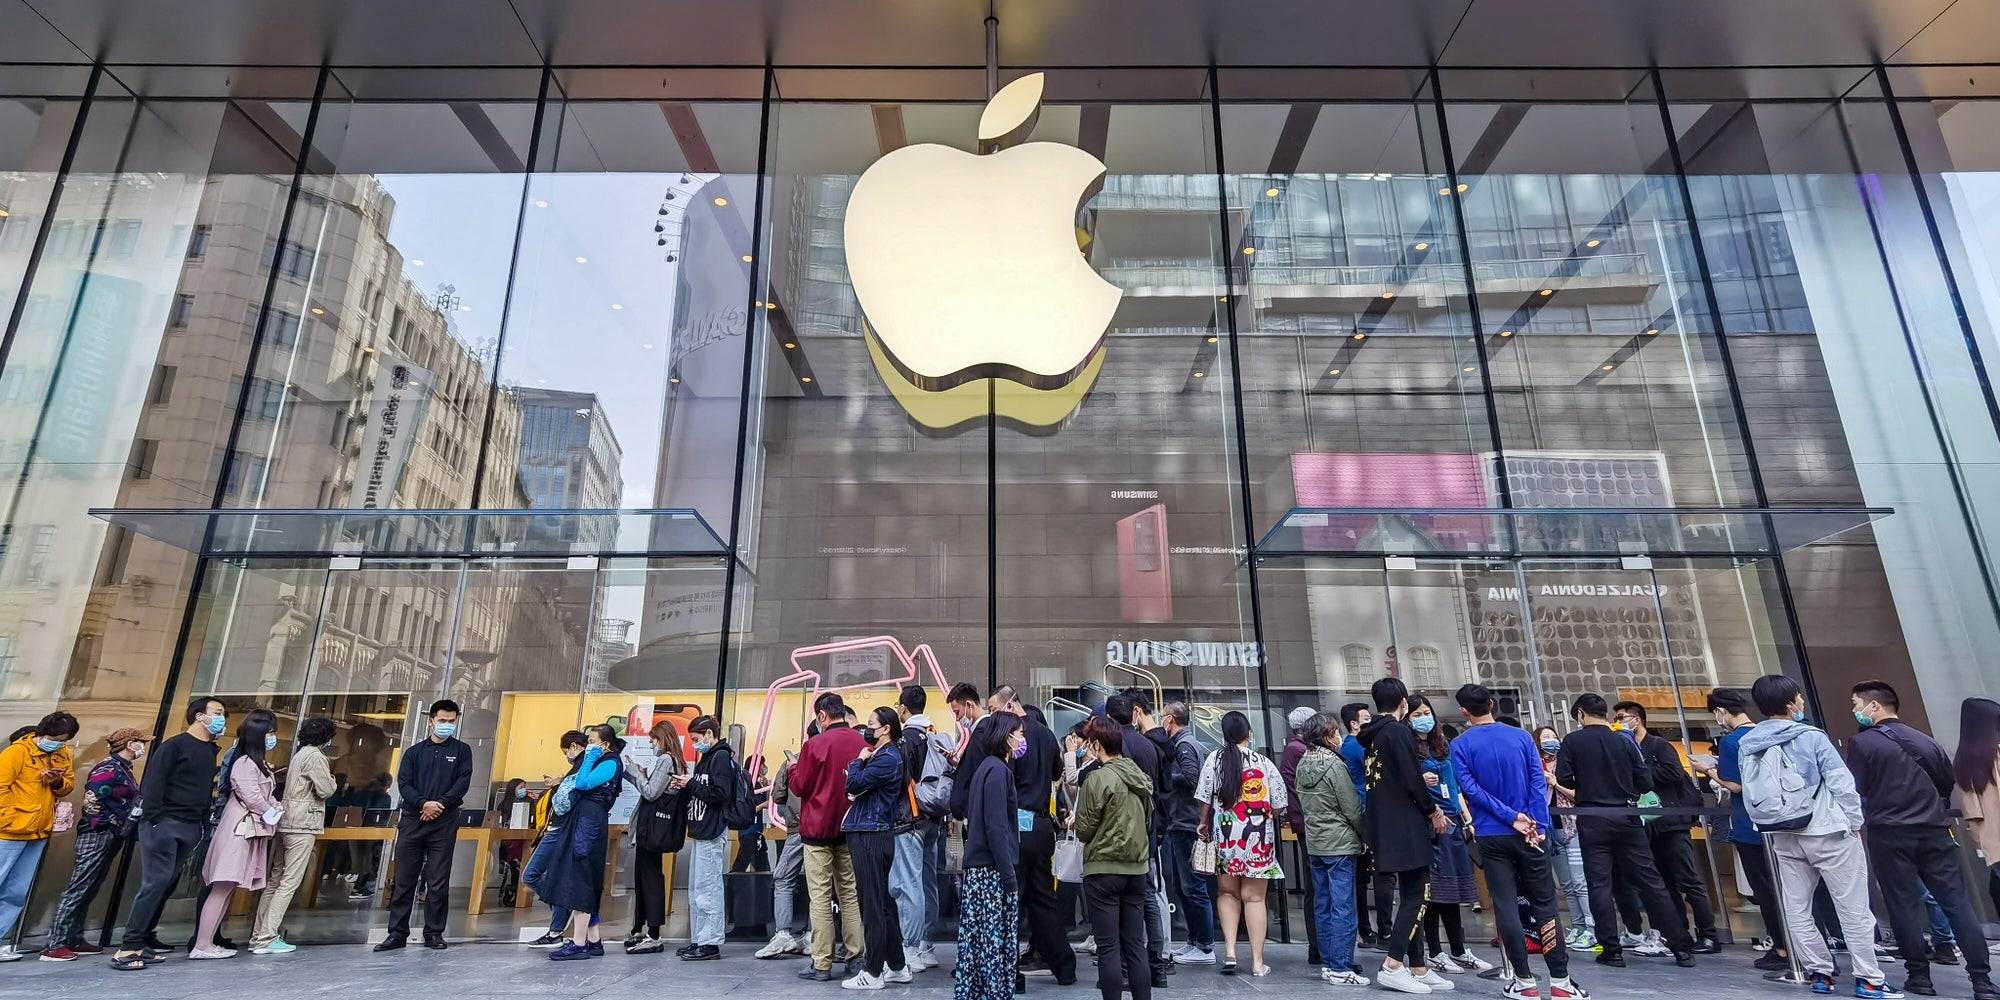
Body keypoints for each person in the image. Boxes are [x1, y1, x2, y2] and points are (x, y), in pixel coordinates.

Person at [1737, 675, 1897, 999]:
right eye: (1798, 697)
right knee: (1852, 908)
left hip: (1781, 833)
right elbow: (1841, 782)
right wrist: (1854, 821)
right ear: (1790, 703)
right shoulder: (1811, 736)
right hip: (1826, 831)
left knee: (1796, 908)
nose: (1801, 702)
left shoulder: (1748, 742)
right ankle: (1869, 979)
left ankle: (1819, 973)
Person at [1848, 681, 1993, 999]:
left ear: (1875, 706)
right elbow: (1946, 781)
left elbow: (1855, 789)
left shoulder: (1863, 745)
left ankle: (1919, 977)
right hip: (1935, 830)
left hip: (1889, 833)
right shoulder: (1927, 742)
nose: (1855, 710)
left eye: (1857, 704)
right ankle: (1982, 981)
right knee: (1958, 904)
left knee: (1903, 905)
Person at [1450, 685, 1588, 1000]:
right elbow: (1537, 782)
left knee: (1505, 906)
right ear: (1492, 704)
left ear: (1464, 712)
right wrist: (1534, 823)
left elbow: (1471, 790)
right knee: (1545, 905)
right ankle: (1561, 981)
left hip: (1491, 834)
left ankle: (1524, 982)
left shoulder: (1460, 745)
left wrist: (1509, 817)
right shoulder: (1523, 737)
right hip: (1531, 833)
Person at [1555, 693, 1694, 968]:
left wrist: (1587, 781)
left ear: (1581, 714)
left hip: (1593, 817)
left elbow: (1563, 777)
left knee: (1599, 884)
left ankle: (1612, 949)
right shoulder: (1624, 740)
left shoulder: (1573, 741)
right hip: (1627, 816)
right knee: (1651, 881)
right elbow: (1645, 782)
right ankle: (1680, 947)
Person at [113, 696, 226, 970]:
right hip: (164, 823)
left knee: (165, 885)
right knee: (154, 884)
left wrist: (201, 823)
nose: (223, 718)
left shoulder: (209, 750)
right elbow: (153, 785)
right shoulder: (174, 746)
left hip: (190, 826)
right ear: (200, 716)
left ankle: (142, 942)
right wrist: (153, 820)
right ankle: (127, 948)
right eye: (218, 712)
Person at [1359, 678, 1450, 995]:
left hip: (1385, 825)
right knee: (1418, 894)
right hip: (1405, 826)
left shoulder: (1373, 736)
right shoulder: (1396, 732)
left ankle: (1419, 967)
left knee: (1414, 892)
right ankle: (1393, 964)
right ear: (1402, 702)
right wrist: (1432, 811)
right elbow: (1412, 779)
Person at [1690, 688, 1789, 972]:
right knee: (1790, 889)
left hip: (1749, 823)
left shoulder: (1732, 742)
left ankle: (1781, 948)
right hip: (1781, 821)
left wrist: (1708, 770)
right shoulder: (1768, 734)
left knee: (1765, 890)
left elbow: (1734, 785)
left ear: (1720, 711)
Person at [1611, 701, 1719, 954]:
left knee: (1687, 879)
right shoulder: (1625, 748)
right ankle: (1676, 934)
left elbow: (1673, 773)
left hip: (1670, 822)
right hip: (1646, 825)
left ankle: (1708, 934)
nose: (1618, 721)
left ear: (1636, 720)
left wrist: (1641, 772)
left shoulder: (1658, 745)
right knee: (1663, 883)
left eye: (1622, 717)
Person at [41, 726, 145, 962]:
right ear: (129, 744)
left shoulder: (124, 768)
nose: (143, 747)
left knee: (90, 886)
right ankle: (55, 943)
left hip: (112, 832)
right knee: (79, 887)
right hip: (98, 832)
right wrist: (112, 823)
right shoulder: (108, 768)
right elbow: (92, 801)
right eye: (140, 742)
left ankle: (74, 937)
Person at [375, 699, 472, 953]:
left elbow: (462, 783)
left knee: (438, 881)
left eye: (451, 721)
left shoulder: (462, 751)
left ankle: (434, 932)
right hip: (412, 820)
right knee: (404, 880)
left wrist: (439, 804)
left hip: (444, 821)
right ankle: (397, 933)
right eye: (442, 721)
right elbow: (404, 784)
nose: (447, 725)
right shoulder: (414, 752)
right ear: (431, 720)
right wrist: (423, 804)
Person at [1193, 709, 1284, 977]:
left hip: (1226, 839)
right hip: (1259, 841)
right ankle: (1257, 963)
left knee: (1227, 894)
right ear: (1249, 734)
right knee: (1254, 898)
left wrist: (1203, 822)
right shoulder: (1263, 762)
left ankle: (1230, 953)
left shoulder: (1214, 759)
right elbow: (1279, 804)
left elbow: (1204, 797)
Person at [190, 709, 282, 959]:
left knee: (227, 888)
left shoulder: (256, 763)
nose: (272, 737)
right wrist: (269, 809)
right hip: (239, 828)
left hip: (248, 827)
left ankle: (207, 942)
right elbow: (251, 796)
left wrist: (274, 805)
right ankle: (202, 944)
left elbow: (261, 794)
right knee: (222, 886)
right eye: (269, 733)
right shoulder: (244, 762)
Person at [1073, 716, 1154, 1000]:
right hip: (1136, 869)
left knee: (1108, 947)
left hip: (1103, 869)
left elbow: (1084, 829)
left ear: (1096, 745)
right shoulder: (1140, 778)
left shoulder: (1097, 778)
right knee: (1134, 944)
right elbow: (1147, 822)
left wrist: (1075, 823)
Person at [1407, 695, 1488, 975]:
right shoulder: (1408, 749)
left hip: (1453, 822)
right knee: (1433, 893)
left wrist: (1467, 819)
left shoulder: (1442, 745)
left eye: (1426, 712)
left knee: (1453, 892)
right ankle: (1435, 952)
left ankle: (1459, 949)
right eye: (1416, 714)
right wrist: (1419, 779)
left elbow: (1454, 786)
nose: (1423, 718)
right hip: (1430, 824)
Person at [793, 693, 868, 981]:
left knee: (820, 898)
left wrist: (792, 768)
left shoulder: (815, 744)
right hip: (850, 828)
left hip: (817, 831)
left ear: (822, 716)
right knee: (850, 894)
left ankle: (821, 963)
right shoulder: (862, 743)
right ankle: (855, 956)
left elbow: (800, 786)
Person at [532, 725, 624, 961]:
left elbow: (583, 783)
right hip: (583, 822)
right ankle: (593, 940)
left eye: (593, 741)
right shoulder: (602, 760)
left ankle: (579, 943)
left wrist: (589, 758)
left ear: (605, 744)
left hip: (589, 825)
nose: (589, 745)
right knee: (582, 879)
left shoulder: (610, 763)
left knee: (581, 880)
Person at [1006, 689, 1077, 986]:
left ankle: (1009, 972)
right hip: (1041, 826)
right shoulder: (1048, 737)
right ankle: (1064, 966)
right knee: (1044, 899)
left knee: (1011, 900)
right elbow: (1056, 773)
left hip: (1016, 825)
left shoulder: (1010, 737)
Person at [840, 706, 914, 990]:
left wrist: (858, 762)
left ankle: (872, 972)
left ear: (886, 729)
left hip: (870, 834)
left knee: (871, 905)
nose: (867, 729)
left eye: (872, 724)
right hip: (871, 832)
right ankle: (897, 965)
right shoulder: (887, 756)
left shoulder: (886, 758)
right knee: (881, 903)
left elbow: (854, 783)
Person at [250, 715, 336, 955]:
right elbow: (326, 789)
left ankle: (258, 935)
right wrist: (332, 779)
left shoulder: (298, 754)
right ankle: (267, 938)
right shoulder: (317, 757)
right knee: (289, 882)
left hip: (286, 821)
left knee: (276, 880)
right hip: (303, 823)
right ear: (327, 737)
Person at [1297, 710, 1368, 986]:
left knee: (1322, 903)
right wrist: (1365, 835)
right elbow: (1351, 807)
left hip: (1316, 842)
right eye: (1335, 732)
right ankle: (1341, 965)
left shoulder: (1303, 763)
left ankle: (1329, 961)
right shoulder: (1335, 765)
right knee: (1343, 906)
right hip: (1339, 842)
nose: (1338, 736)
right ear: (1328, 736)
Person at [0, 710, 77, 962]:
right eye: (57, 737)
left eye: (64, 739)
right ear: (43, 732)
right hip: (9, 831)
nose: (59, 743)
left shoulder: (62, 754)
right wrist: (8, 818)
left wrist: (56, 781)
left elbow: (68, 786)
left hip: (38, 830)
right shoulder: (17, 752)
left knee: (16, 891)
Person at [958, 712, 1024, 1000]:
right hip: (991, 872)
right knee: (993, 944)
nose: (1023, 740)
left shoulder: (986, 768)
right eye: (1019, 733)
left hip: (979, 870)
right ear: (1007, 736)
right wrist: (1009, 876)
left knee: (978, 942)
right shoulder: (998, 771)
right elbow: (996, 826)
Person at [1107, 691, 1169, 987]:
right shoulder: (1148, 745)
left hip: (1121, 836)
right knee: (1148, 899)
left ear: (1109, 718)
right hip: (1148, 831)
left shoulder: (1113, 748)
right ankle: (1156, 964)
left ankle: (1123, 968)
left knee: (1119, 903)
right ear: (1133, 714)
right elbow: (1160, 790)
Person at [675, 715, 738, 961]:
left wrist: (690, 784)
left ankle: (710, 942)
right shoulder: (708, 758)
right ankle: (699, 938)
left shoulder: (720, 757)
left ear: (710, 734)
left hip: (712, 829)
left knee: (708, 888)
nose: (694, 744)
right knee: (697, 888)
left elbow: (721, 793)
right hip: (702, 829)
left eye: (696, 739)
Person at [1157, 700, 1214, 966]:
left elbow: (1192, 777)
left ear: (1171, 719)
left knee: (1194, 887)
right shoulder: (1184, 744)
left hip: (1187, 822)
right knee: (1185, 886)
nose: (1161, 720)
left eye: (1163, 716)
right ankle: (1194, 941)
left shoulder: (1184, 745)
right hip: (1182, 821)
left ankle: (1205, 946)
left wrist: (1165, 776)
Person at [894, 685, 945, 972]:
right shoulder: (936, 735)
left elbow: (900, 780)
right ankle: (926, 944)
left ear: (903, 708)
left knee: (909, 882)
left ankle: (910, 947)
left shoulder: (907, 739)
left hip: (910, 818)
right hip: (933, 817)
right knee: (928, 881)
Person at [524, 731, 588, 948]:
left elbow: (570, 799)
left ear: (573, 746)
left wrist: (560, 785)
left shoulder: (583, 766)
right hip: (555, 828)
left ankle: (559, 917)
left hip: (560, 830)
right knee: (549, 877)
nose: (567, 755)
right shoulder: (577, 768)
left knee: (532, 875)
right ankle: (557, 923)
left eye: (566, 751)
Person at [627, 720, 685, 953]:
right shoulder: (677, 762)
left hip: (650, 830)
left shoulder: (666, 759)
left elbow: (651, 793)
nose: (651, 744)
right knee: (646, 878)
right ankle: (640, 928)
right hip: (657, 830)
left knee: (648, 880)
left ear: (662, 738)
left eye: (653, 740)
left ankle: (652, 932)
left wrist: (634, 773)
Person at [1534, 724, 1592, 949]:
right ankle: (1577, 927)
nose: (1551, 740)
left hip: (1572, 826)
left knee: (1580, 882)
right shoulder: (1536, 765)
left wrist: (1555, 783)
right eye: (1545, 737)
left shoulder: (1567, 764)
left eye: (1553, 736)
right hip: (1551, 829)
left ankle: (1591, 927)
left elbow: (1580, 795)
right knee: (1567, 884)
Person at [760, 722, 815, 959]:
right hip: (829, 830)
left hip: (799, 829)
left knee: (783, 878)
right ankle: (815, 935)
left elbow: (778, 794)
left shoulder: (795, 759)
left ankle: (783, 934)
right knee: (821, 885)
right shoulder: (839, 754)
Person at [1341, 701, 1388, 951]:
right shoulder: (1357, 745)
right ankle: (1370, 929)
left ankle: (1369, 929)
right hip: (1365, 812)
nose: (1371, 721)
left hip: (1367, 810)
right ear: (1354, 724)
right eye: (1366, 718)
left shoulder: (1353, 745)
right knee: (1364, 878)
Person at [1280, 705, 1324, 967]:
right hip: (1310, 822)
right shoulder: (1299, 750)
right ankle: (1317, 944)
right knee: (1316, 885)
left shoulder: (1295, 750)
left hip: (1305, 822)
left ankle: (1317, 945)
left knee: (1314, 884)